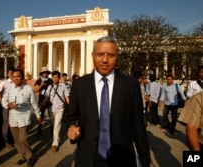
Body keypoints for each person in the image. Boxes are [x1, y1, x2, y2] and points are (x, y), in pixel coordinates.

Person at [66, 36, 150, 167]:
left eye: (111, 55)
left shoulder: (130, 85)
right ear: (93, 55)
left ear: (117, 58)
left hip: (122, 159)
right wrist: (71, 127)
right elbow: (71, 116)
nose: (105, 60)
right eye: (100, 54)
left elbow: (138, 127)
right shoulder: (79, 85)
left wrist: (144, 162)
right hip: (88, 159)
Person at [1, 69, 41, 167]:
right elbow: (3, 101)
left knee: (23, 139)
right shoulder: (9, 88)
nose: (16, 78)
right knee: (17, 141)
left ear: (22, 77)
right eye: (14, 77)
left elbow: (34, 103)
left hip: (24, 118)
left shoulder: (28, 89)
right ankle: (22, 156)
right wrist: (7, 105)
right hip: (13, 119)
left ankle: (30, 156)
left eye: (18, 76)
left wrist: (38, 115)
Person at [44, 71, 69, 152]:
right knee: (55, 125)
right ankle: (57, 137)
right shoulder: (49, 87)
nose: (55, 79)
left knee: (56, 125)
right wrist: (42, 106)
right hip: (51, 109)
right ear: (52, 78)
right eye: (53, 77)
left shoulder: (63, 86)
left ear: (59, 78)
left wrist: (71, 106)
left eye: (56, 77)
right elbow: (46, 97)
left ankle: (55, 144)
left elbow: (66, 97)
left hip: (60, 109)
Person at [0, 67, 15, 148]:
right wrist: (0, 100)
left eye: (12, 74)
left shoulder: (16, 82)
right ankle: (6, 140)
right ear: (7, 74)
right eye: (10, 74)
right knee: (6, 123)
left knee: (14, 123)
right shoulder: (4, 82)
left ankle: (13, 138)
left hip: (15, 106)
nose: (11, 75)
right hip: (6, 106)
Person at [34, 67, 53, 135]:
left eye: (46, 72)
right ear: (41, 74)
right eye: (43, 73)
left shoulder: (51, 81)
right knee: (40, 115)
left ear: (48, 73)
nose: (45, 74)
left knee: (51, 115)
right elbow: (36, 90)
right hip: (41, 100)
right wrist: (41, 85)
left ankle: (52, 129)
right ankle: (39, 129)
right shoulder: (38, 81)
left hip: (50, 100)